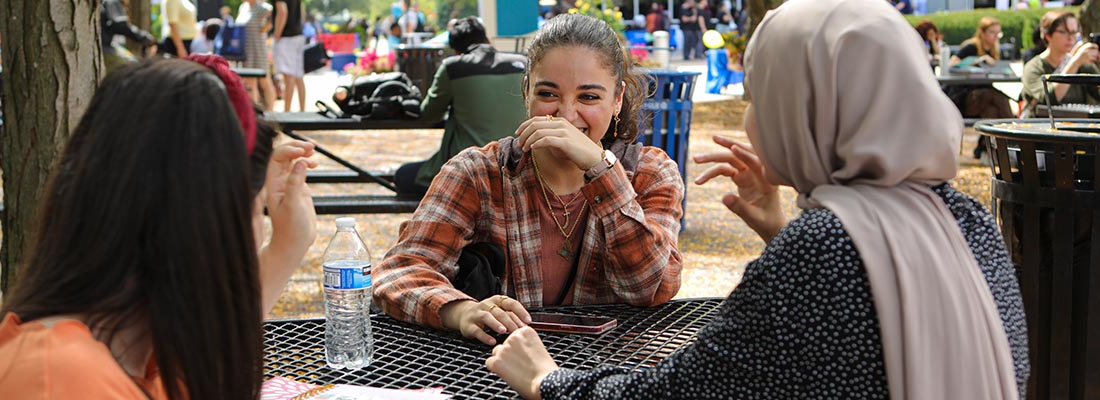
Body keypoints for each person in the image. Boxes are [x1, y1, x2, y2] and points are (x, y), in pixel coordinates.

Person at [485, 0, 1029, 398]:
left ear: (813, 111)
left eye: (764, 96)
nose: (751, 118)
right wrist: (778, 230)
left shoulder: (821, 250)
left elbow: (685, 390)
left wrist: (547, 380)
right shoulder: (965, 218)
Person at [0, 56, 320, 399]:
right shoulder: (60, 380)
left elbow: (209, 359)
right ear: (205, 225)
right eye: (257, 211)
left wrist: (287, 246)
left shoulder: (128, 352)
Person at [372, 13, 684, 346]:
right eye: (548, 94)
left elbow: (651, 287)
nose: (566, 115)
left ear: (617, 98)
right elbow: (398, 273)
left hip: (608, 370)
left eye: (588, 97)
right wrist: (460, 311)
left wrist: (602, 172)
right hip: (500, 371)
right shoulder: (479, 173)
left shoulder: (649, 174)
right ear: (526, 92)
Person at [393, 17, 529, 199]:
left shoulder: (453, 67)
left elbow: (430, 114)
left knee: (402, 176)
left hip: (469, 172)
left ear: (456, 51)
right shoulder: (522, 63)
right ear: (487, 40)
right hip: (521, 168)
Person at [946, 16, 1013, 158]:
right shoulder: (971, 47)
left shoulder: (994, 50)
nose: (995, 37)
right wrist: (976, 61)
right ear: (982, 33)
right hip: (964, 96)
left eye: (998, 33)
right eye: (992, 32)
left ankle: (984, 150)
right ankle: (1013, 136)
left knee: (992, 111)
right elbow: (952, 65)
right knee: (996, 96)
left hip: (984, 98)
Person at [1020, 10, 1100, 117]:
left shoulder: (1082, 64)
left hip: (1077, 126)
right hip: (1040, 127)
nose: (1070, 37)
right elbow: (1049, 98)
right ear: (1048, 35)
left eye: (1074, 32)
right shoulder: (1034, 67)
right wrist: (1075, 62)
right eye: (1064, 32)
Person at [237, 0, 276, 107]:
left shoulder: (263, 7)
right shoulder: (243, 7)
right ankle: (254, 110)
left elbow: (275, 15)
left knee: (264, 81)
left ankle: (271, 110)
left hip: (258, 48)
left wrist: (265, 29)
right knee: (249, 82)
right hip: (246, 50)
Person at [102, 0, 155, 73]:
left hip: (107, 45)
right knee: (135, 68)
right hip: (105, 48)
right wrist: (144, 37)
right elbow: (120, 26)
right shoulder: (112, 1)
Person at [272, 0, 306, 111]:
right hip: (298, 34)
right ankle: (302, 110)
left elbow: (282, 12)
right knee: (298, 76)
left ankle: (287, 110)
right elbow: (302, 12)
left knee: (288, 76)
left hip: (286, 37)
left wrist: (277, 34)